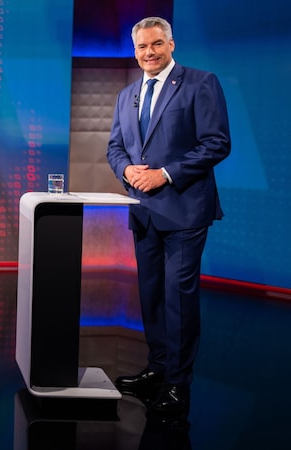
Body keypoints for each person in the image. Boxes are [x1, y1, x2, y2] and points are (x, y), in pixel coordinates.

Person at [107, 17, 231, 414]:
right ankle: (157, 369)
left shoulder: (201, 82)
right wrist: (126, 170)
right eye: (142, 47)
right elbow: (115, 147)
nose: (149, 53)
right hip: (144, 213)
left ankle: (178, 383)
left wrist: (165, 174)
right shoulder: (128, 95)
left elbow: (217, 143)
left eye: (156, 45)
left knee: (178, 299)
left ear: (171, 44)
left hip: (184, 210)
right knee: (151, 298)